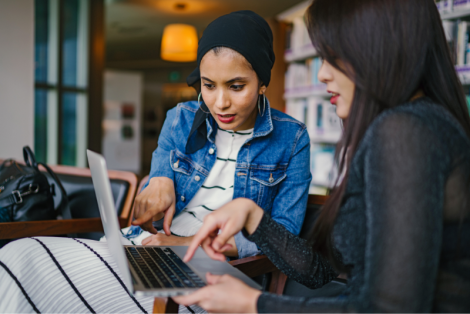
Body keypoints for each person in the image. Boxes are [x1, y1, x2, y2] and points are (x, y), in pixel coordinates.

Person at [0, 11, 312, 314]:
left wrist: (182, 243)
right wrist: (158, 179)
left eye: (236, 86)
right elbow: (155, 188)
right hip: (145, 246)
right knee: (18, 254)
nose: (220, 103)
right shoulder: (181, 118)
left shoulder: (292, 139)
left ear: (262, 83)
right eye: (208, 85)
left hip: (214, 269)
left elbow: (281, 238)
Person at [173, 0, 470, 313]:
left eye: (332, 57)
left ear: (377, 48)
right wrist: (253, 217)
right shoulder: (414, 125)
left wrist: (253, 304)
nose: (324, 74)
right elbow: (319, 272)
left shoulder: (405, 131)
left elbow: (390, 309)